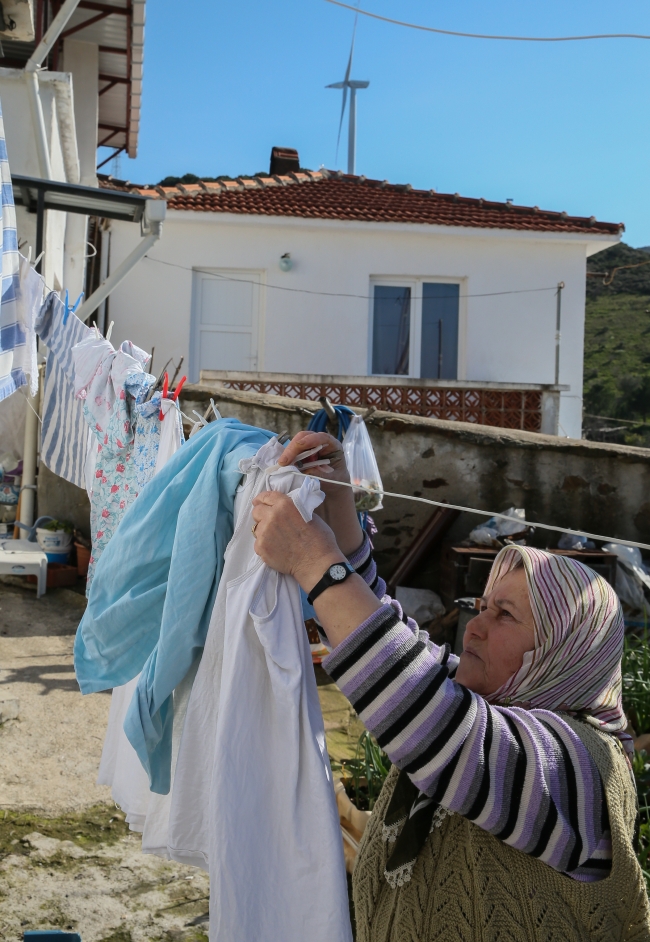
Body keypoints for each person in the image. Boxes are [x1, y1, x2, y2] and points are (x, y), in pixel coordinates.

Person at [251, 430, 650, 942]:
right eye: (480, 607)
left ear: (567, 651)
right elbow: (388, 640)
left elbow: (436, 724)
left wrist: (314, 564)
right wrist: (335, 499)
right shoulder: (482, 702)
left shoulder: (582, 768)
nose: (476, 626)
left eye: (504, 614)